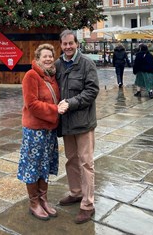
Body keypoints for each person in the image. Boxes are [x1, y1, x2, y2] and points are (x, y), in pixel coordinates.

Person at [17, 44, 67, 221]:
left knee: (44, 165)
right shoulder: (31, 76)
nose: (48, 59)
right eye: (44, 56)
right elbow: (31, 104)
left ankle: (43, 199)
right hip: (35, 130)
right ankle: (34, 203)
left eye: (50, 56)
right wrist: (55, 109)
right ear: (37, 58)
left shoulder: (52, 77)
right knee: (32, 166)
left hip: (49, 130)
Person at [55, 29, 99, 225]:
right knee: (71, 159)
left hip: (83, 122)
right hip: (66, 123)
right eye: (64, 44)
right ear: (61, 45)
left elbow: (92, 91)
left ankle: (88, 204)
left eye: (70, 43)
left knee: (86, 163)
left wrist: (71, 103)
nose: (67, 47)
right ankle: (75, 192)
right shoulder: (57, 64)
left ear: (76, 44)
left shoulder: (86, 63)